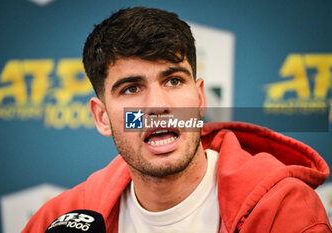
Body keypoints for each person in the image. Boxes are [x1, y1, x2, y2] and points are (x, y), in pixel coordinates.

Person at [23, 7, 331, 233]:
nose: (158, 106)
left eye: (173, 81)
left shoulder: (283, 208)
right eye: (131, 88)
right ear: (102, 117)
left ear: (199, 99)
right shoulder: (58, 218)